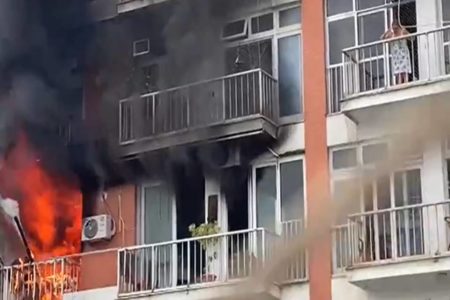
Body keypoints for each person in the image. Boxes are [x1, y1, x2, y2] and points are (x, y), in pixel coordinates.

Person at [381, 20, 412, 85]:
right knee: (398, 71)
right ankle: (399, 83)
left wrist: (405, 31)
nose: (395, 30)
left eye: (396, 28)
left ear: (399, 27)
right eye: (393, 28)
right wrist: (387, 31)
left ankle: (406, 82)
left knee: (405, 70)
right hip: (396, 55)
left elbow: (412, 38)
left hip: (404, 54)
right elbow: (382, 39)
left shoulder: (402, 32)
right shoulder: (391, 35)